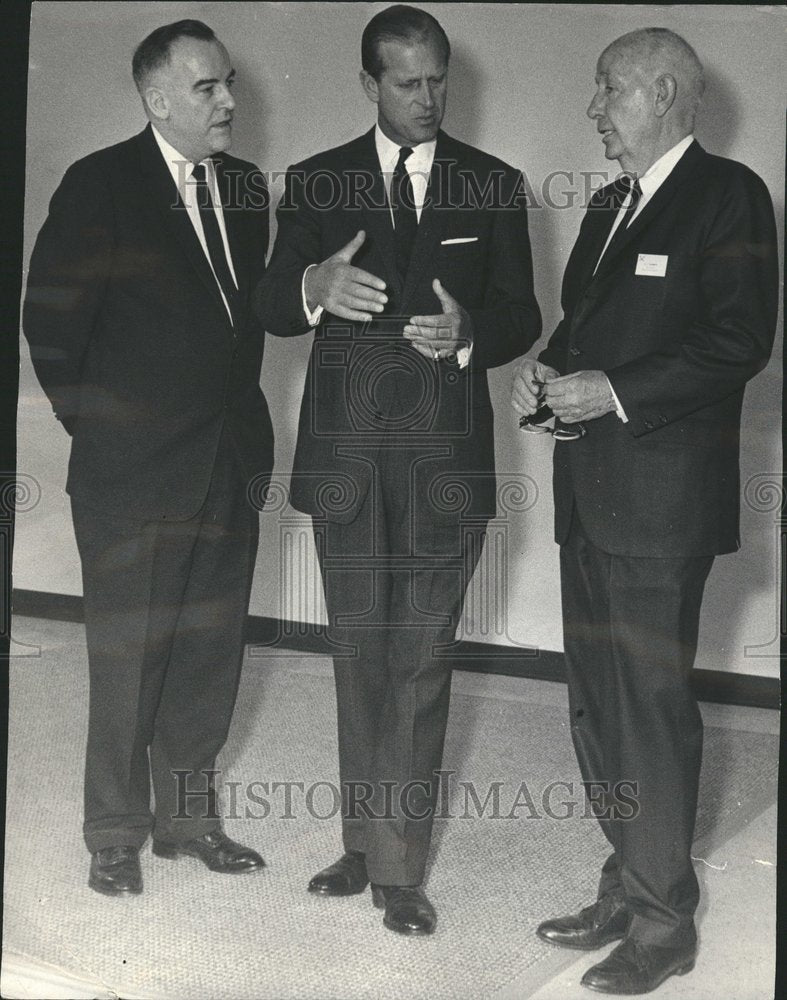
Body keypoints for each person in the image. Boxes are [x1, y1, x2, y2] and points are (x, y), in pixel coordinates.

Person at [257, 4, 540, 935]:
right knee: (358, 654)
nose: (428, 98)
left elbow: (520, 314)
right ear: (369, 83)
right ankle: (362, 840)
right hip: (345, 461)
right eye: (408, 82)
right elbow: (268, 300)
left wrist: (471, 337)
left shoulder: (492, 185)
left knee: (418, 659)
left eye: (439, 80)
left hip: (443, 469)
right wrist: (311, 288)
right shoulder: (316, 182)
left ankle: (400, 868)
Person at [511, 27, 778, 994]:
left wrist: (612, 390)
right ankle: (630, 882)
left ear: (665, 92)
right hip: (590, 496)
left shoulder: (730, 197)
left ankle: (665, 928)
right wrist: (545, 374)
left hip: (662, 509)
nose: (593, 111)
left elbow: (738, 339)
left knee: (651, 710)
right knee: (598, 705)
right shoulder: (611, 206)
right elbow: (578, 330)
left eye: (607, 90)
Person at [23, 20, 273, 896]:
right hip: (131, 470)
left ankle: (187, 820)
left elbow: (244, 325)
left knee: (210, 652)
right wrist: (104, 434)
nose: (228, 102)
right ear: (156, 98)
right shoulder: (100, 184)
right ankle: (114, 832)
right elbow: (50, 325)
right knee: (128, 657)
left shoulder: (245, 189)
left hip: (228, 460)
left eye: (229, 83)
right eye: (207, 88)